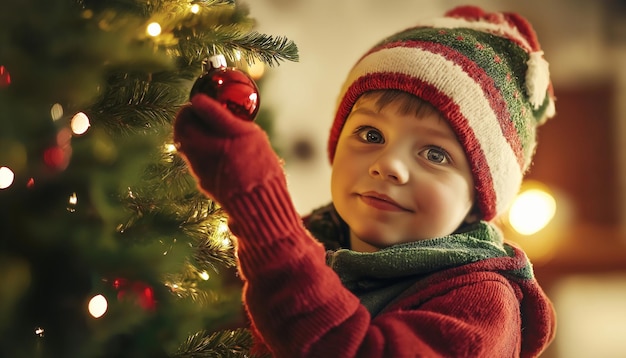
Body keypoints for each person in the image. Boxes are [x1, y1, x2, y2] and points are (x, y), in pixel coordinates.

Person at [173, 5, 557, 357]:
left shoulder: (482, 302)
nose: (388, 164)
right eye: (371, 135)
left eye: (435, 154)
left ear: (478, 201)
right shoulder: (317, 241)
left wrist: (259, 204)